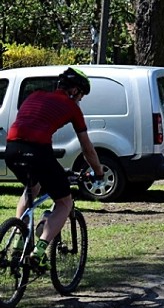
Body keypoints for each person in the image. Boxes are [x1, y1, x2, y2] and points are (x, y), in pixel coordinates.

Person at [5, 67, 105, 270]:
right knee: (64, 203)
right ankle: (39, 251)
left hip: (12, 149)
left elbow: (31, 124)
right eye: (82, 95)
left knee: (31, 188)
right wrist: (99, 172)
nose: (80, 100)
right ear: (75, 90)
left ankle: (17, 238)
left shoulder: (35, 95)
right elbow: (87, 148)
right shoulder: (71, 107)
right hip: (38, 151)